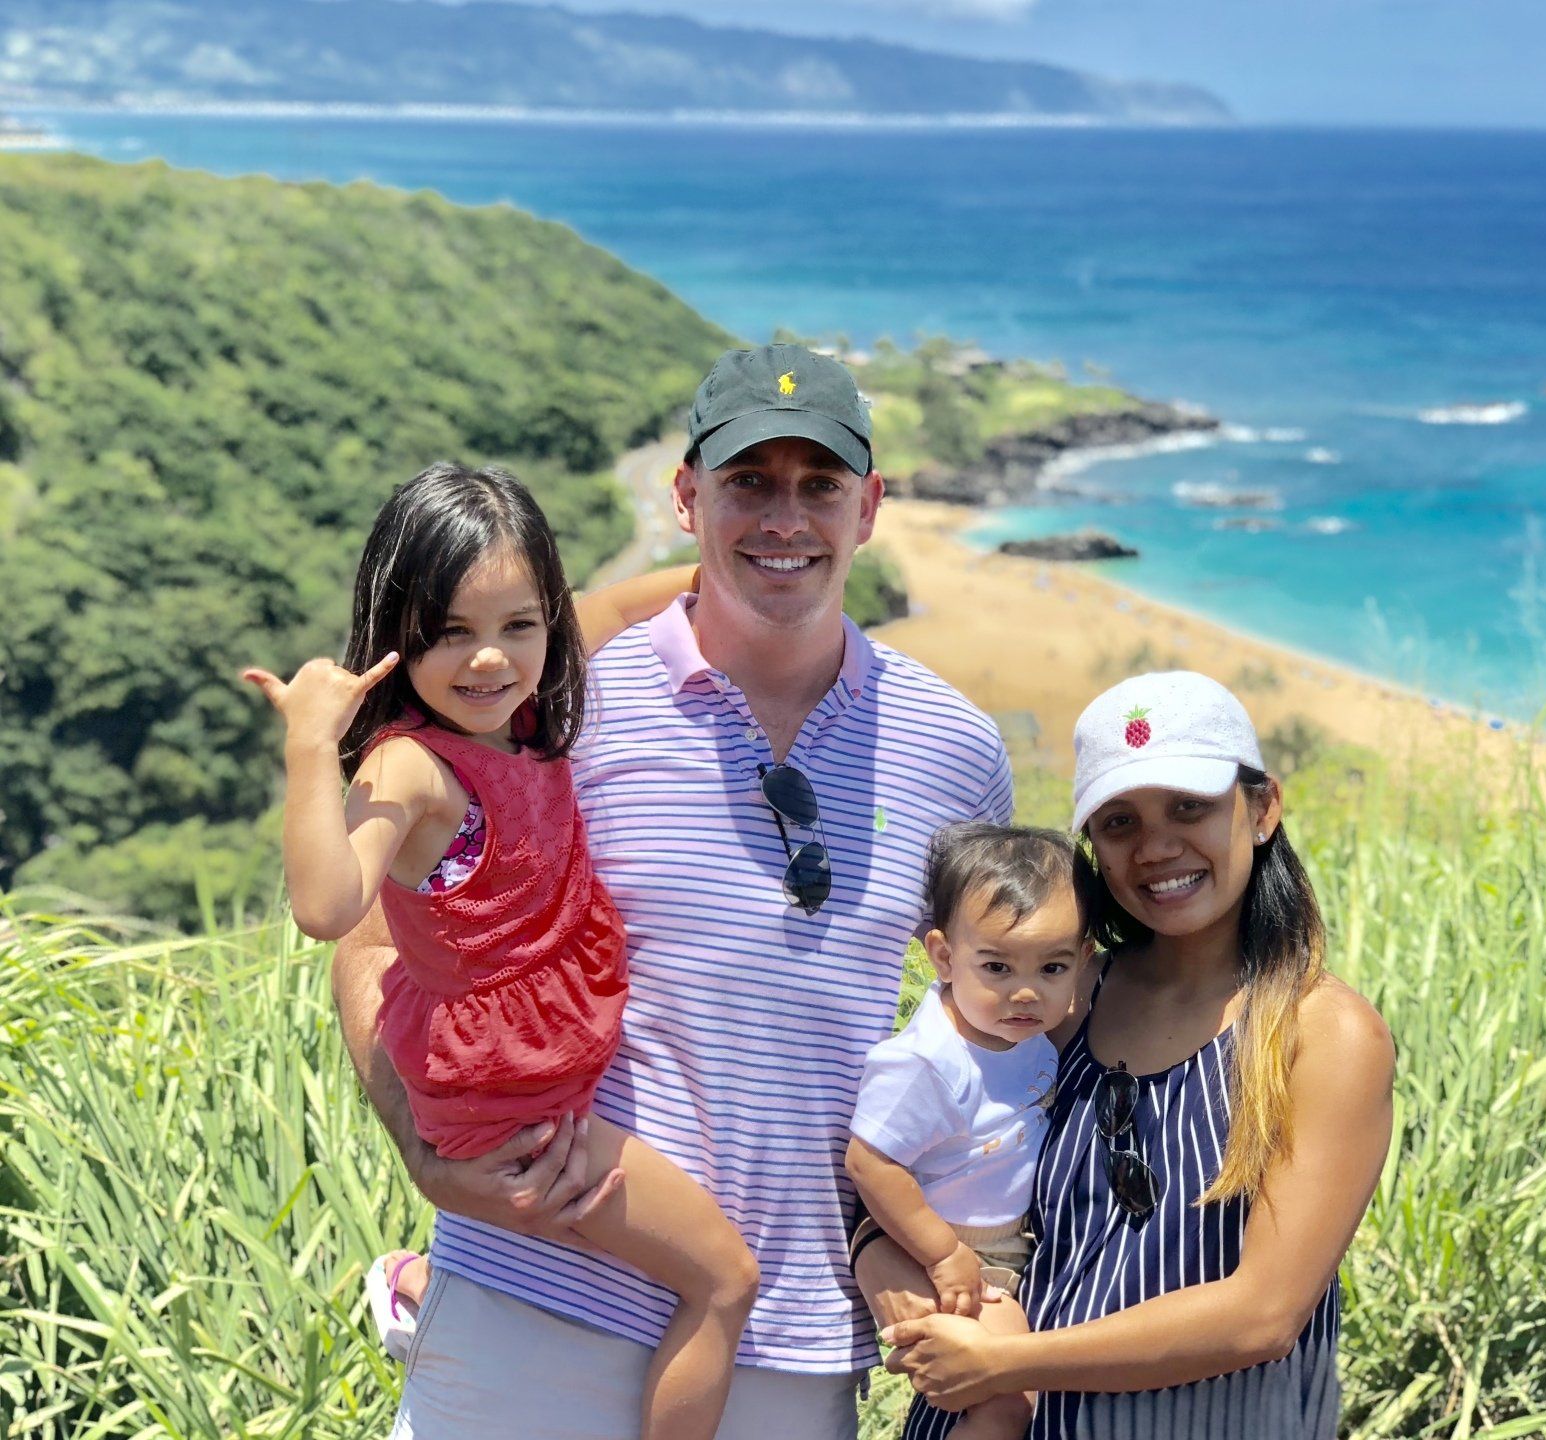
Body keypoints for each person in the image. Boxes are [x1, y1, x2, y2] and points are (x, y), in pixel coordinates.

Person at [329, 343, 1015, 1439]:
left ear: (870, 506)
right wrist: (425, 1150)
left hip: (793, 1341)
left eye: (820, 485)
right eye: (749, 481)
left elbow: (984, 1032)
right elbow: (369, 942)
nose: (784, 516)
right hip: (535, 1291)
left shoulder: (959, 752)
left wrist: (920, 1246)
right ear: (688, 496)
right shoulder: (553, 706)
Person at [242, 463, 755, 1439]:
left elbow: (598, 609)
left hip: (526, 1059)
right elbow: (326, 905)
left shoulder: (523, 697)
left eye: (517, 626)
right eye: (451, 634)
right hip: (509, 1101)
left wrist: (728, 572)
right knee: (724, 1281)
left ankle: (420, 1283)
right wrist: (314, 746)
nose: (488, 660)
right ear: (397, 635)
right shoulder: (412, 765)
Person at [883, 670, 1395, 1439]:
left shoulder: (1320, 1033)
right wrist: (902, 1291)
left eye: (1189, 807)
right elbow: (897, 1154)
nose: (1156, 848)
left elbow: (1263, 1316)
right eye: (1120, 822)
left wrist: (1008, 1366)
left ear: (1262, 809)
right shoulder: (1062, 998)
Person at [845, 822, 1094, 1439]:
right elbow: (870, 1163)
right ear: (944, 956)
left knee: (1000, 1397)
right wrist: (942, 1253)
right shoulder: (929, 1059)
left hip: (995, 1247)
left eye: (1053, 966)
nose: (1026, 991)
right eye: (997, 967)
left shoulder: (1027, 1038)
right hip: (925, 1242)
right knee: (1009, 1400)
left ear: (1083, 964)